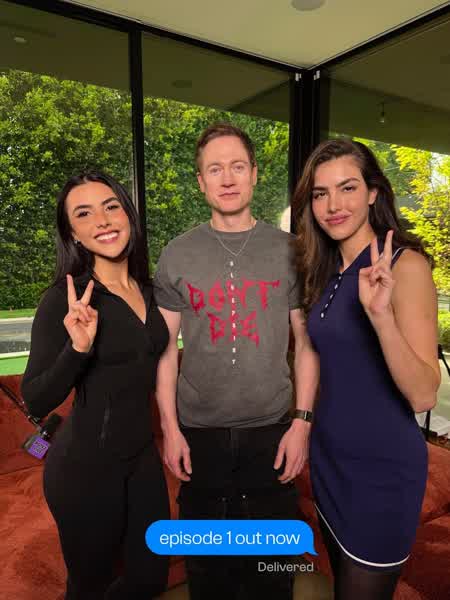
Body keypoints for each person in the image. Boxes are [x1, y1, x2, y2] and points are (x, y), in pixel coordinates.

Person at [153, 123, 319, 600]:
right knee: (209, 572)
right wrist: (170, 429)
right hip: (199, 436)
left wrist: (302, 424)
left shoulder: (290, 251)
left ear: (254, 174)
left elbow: (306, 343)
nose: (227, 178)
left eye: (237, 166)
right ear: (200, 181)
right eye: (215, 169)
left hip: (272, 432)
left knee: (271, 572)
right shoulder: (177, 254)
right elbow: (164, 351)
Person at [293, 138, 441, 600]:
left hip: (381, 473)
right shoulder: (325, 271)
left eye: (348, 188)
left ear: (374, 192)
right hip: (329, 462)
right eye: (321, 193)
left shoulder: (405, 265)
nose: (333, 205)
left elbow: (424, 395)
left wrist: (381, 318)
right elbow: (320, 357)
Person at [21, 171, 170, 600]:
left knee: (149, 578)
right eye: (84, 214)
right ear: (73, 233)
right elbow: (36, 398)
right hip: (84, 468)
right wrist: (78, 348)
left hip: (141, 456)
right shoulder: (65, 299)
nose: (102, 221)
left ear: (128, 215)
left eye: (111, 207)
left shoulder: (151, 290)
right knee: (89, 587)